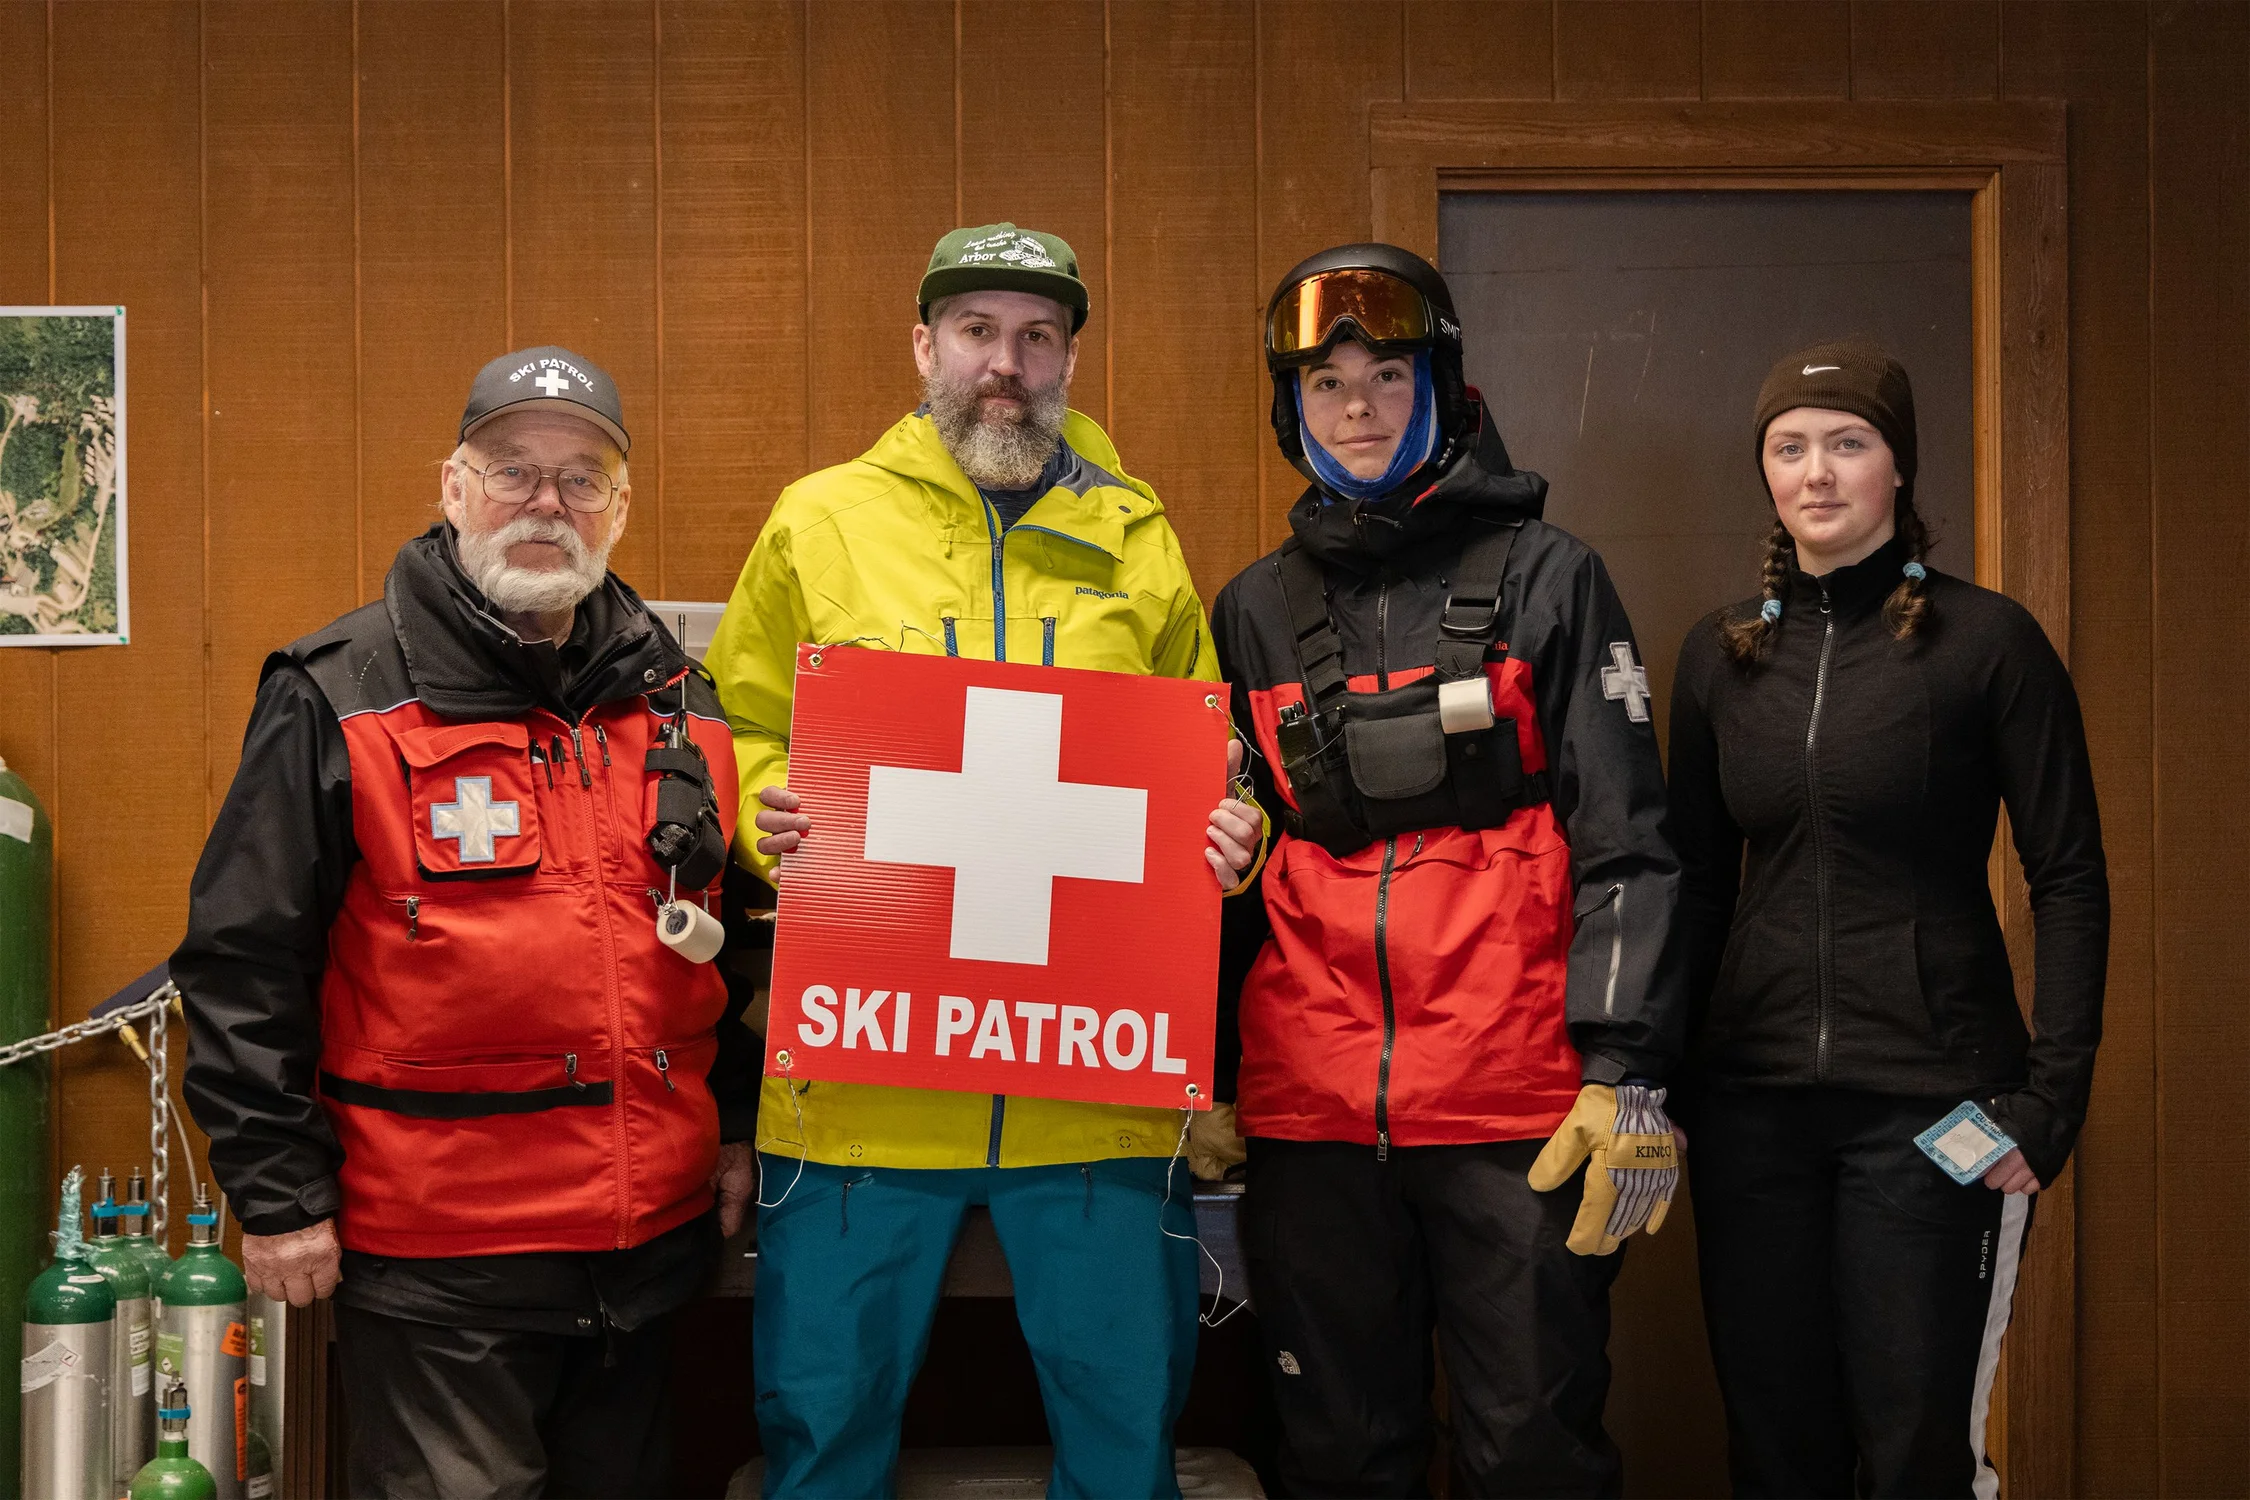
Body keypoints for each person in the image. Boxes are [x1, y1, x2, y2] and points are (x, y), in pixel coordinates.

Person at [704, 223, 1261, 1499]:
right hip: (860, 1092)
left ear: (1069, 356)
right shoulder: (820, 521)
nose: (1004, 364)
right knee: (823, 1445)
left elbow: (1207, 753)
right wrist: (768, 806)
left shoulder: (1140, 535)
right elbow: (730, 728)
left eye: (1037, 335)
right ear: (924, 347)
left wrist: (1239, 833)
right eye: (976, 331)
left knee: (1127, 1451)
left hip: (1093, 1092)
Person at [173, 346, 760, 1499]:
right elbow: (244, 963)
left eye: (581, 478)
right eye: (512, 472)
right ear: (452, 489)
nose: (547, 504)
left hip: (647, 1258)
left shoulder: (683, 704)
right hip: (442, 1262)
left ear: (621, 507)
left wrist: (732, 1121)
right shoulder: (338, 696)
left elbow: (723, 939)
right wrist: (280, 1199)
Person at [1205, 243, 1686, 1498]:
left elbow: (1629, 836)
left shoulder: (1552, 578)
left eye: (1385, 373)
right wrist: (1202, 1076)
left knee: (1531, 1453)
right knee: (1337, 1455)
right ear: (1289, 408)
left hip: (1520, 1113)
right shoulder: (1248, 610)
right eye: (1325, 383)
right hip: (1307, 1117)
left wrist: (1627, 1072)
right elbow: (1216, 870)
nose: (1355, 404)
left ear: (1445, 388)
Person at [1667, 340, 2108, 1499]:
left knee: (1914, 1453)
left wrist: (2049, 1100)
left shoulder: (1988, 643)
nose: (1818, 473)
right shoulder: (1719, 659)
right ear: (1765, 472)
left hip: (1934, 1113)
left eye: (1849, 444)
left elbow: (2069, 876)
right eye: (1791, 447)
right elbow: (1696, 886)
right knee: (1776, 1451)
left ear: (1898, 468)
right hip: (1753, 1117)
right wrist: (1653, 1078)